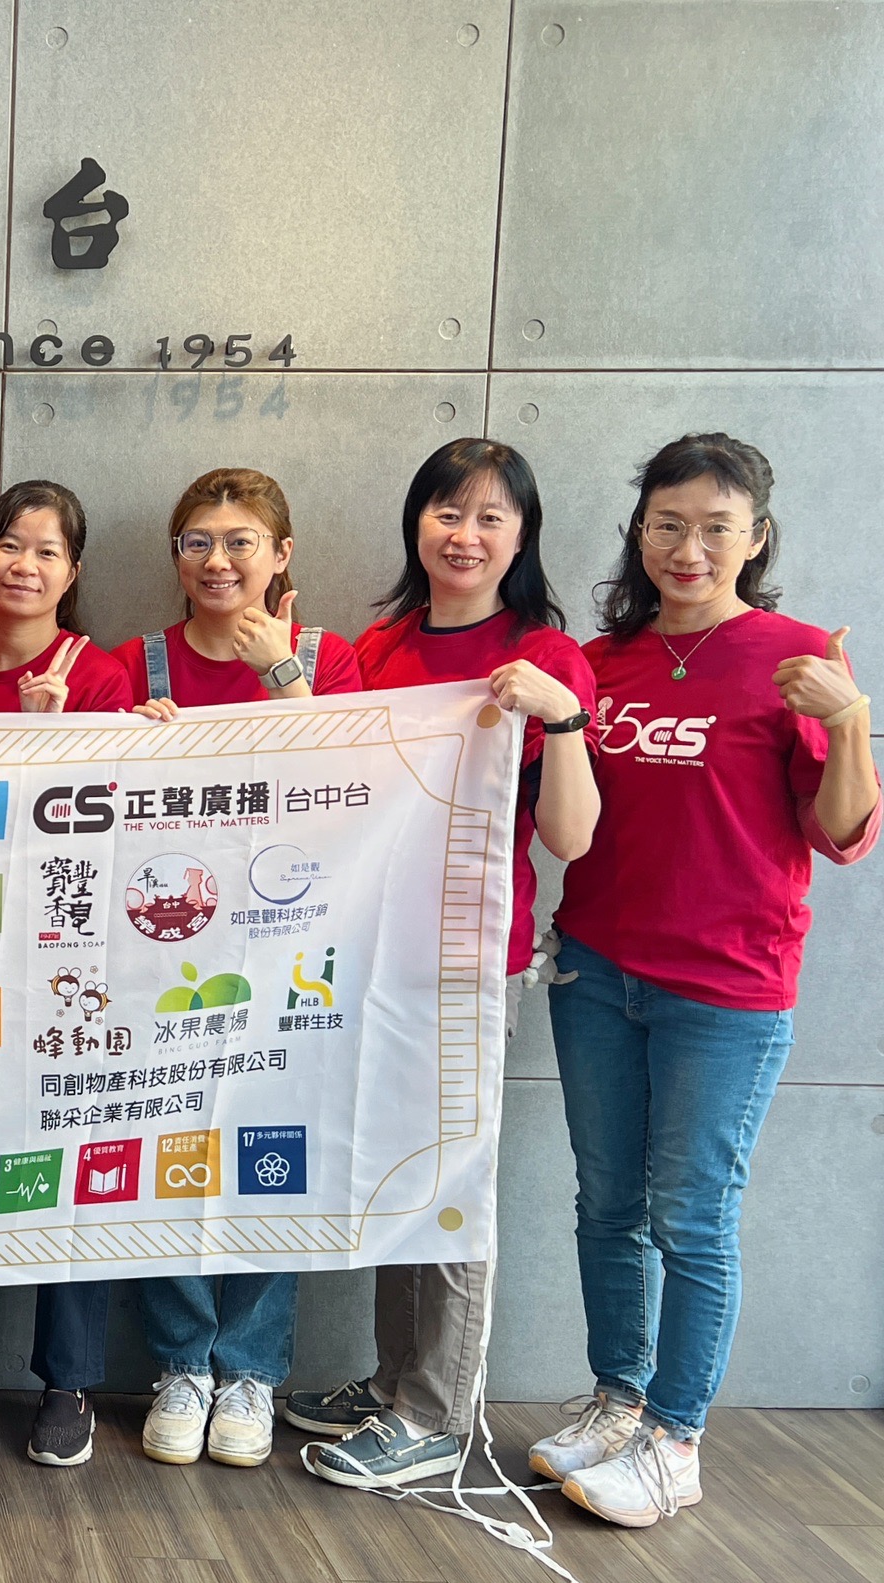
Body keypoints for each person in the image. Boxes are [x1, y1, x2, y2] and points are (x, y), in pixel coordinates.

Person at [533, 433, 875, 1528]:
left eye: (716, 528)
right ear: (640, 533)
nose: (689, 549)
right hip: (595, 969)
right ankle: (619, 1401)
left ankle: (675, 1439)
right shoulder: (601, 661)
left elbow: (842, 832)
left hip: (728, 988)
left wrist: (848, 721)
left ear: (755, 537)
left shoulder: (797, 655)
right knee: (607, 1203)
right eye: (668, 524)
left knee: (693, 1215)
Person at [282, 440, 600, 1488]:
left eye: (490, 518)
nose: (465, 536)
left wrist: (561, 720)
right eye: (446, 513)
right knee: (396, 1171)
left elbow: (572, 838)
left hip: (470, 962)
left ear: (523, 536)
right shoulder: (381, 646)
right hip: (372, 957)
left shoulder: (545, 656)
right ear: (416, 523)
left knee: (451, 1181)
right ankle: (393, 1383)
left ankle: (436, 1414)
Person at [110, 466, 363, 1469]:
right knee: (167, 1149)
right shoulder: (140, 663)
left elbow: (359, 787)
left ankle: (252, 1369)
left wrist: (281, 674)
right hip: (166, 952)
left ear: (280, 554)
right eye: (197, 542)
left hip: (291, 952)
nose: (217, 561)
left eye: (239, 541)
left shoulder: (327, 657)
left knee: (272, 1158)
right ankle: (182, 1364)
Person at [0, 480, 129, 1467]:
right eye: (9, 543)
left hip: (67, 959)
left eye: (48, 551)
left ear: (73, 571)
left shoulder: (101, 674)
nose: (25, 565)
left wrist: (53, 745)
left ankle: (69, 1380)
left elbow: (119, 824)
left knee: (72, 1155)